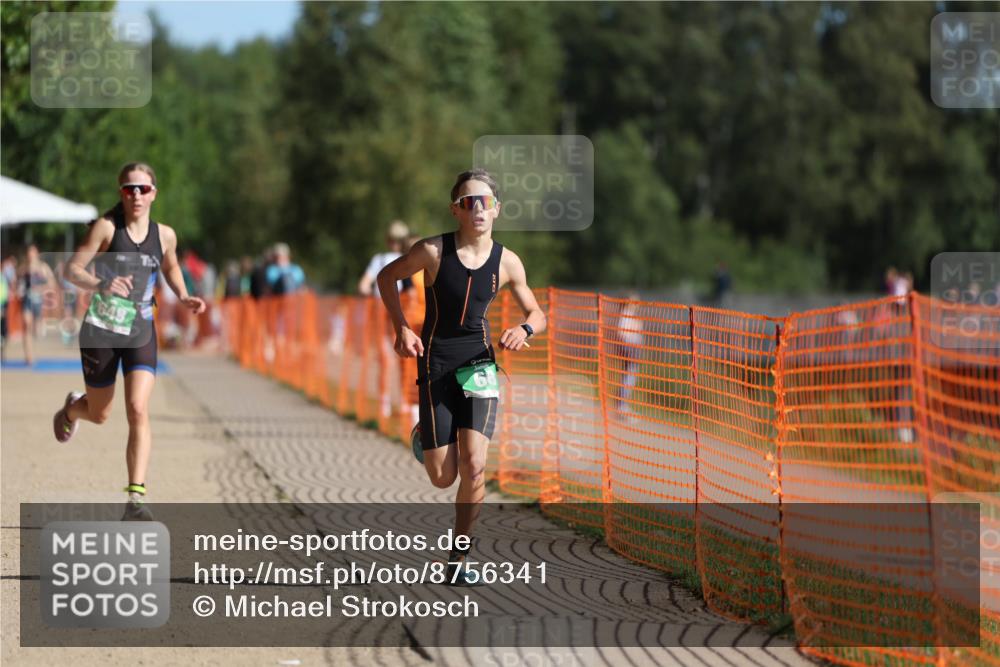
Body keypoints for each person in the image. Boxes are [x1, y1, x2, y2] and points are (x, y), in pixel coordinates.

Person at [376, 168, 546, 585]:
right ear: (456, 209)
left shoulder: (508, 261)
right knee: (442, 477)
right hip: (436, 362)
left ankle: (459, 560)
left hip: (480, 365)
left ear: (497, 209)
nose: (479, 209)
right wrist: (400, 326)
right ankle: (427, 435)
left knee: (474, 467)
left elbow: (537, 313)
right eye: (470, 202)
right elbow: (387, 277)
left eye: (486, 201)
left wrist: (524, 330)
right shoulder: (431, 252)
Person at [52, 162, 206, 520]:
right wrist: (101, 284)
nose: (135, 194)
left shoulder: (165, 235)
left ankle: (135, 500)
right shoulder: (107, 228)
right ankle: (74, 407)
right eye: (128, 189)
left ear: (154, 193)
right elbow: (72, 269)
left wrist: (183, 295)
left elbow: (170, 266)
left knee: (137, 408)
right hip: (102, 331)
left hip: (140, 329)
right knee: (100, 413)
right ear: (121, 193)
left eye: (142, 188)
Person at [18, 244, 58, 365]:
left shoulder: (43, 267)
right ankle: (28, 357)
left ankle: (35, 352)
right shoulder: (24, 267)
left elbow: (52, 283)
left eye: (32, 253)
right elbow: (16, 280)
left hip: (38, 301)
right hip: (26, 300)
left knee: (35, 329)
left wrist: (40, 288)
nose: (30, 255)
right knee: (26, 325)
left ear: (36, 254)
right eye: (28, 253)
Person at [359, 220, 409, 298]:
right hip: (407, 308)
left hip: (381, 307)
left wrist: (376, 296)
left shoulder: (379, 259)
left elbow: (363, 287)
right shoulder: (410, 259)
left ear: (387, 240)